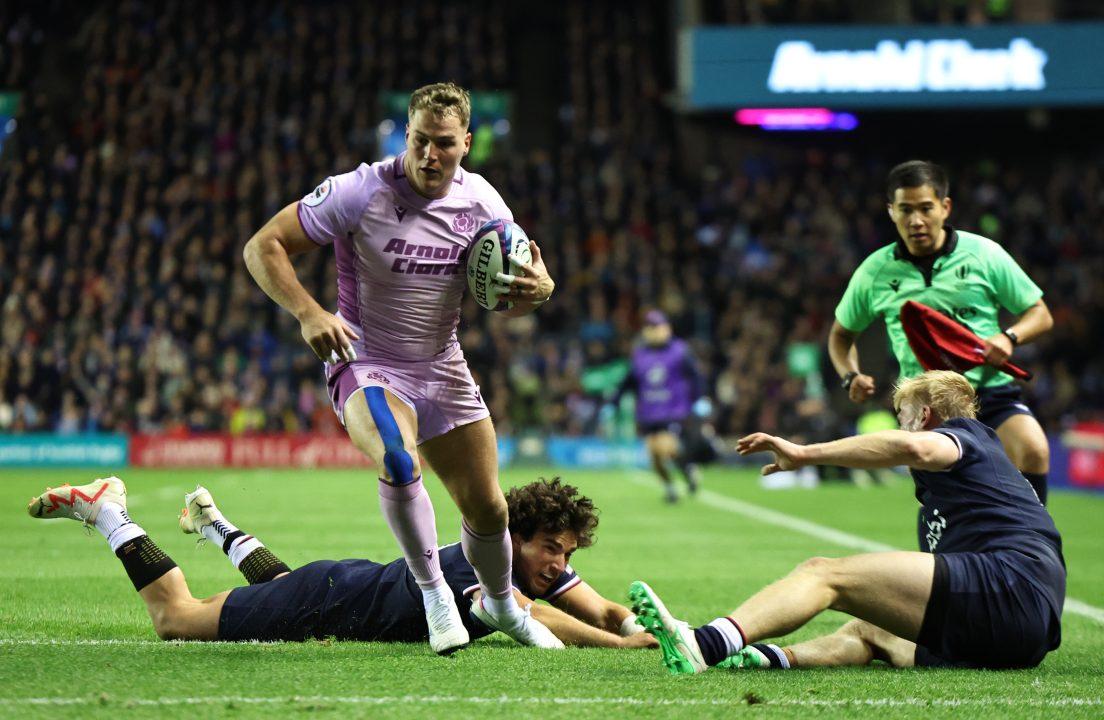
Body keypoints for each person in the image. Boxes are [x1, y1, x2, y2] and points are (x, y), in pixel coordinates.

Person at [242, 82, 556, 654]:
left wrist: (540, 289)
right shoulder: (359, 191)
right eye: (419, 141)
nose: (430, 156)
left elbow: (514, 293)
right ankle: (435, 596)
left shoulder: (484, 204)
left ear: (466, 143)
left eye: (444, 144)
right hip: (367, 362)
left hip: (443, 365)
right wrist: (309, 313)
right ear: (405, 135)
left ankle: (501, 604)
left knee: (489, 508)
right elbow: (263, 245)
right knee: (398, 458)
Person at [630, 370, 1065, 673]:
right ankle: (767, 657)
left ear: (925, 416)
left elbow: (917, 448)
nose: (900, 426)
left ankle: (705, 644)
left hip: (1012, 584)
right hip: (1013, 631)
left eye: (903, 416)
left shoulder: (966, 438)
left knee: (824, 574)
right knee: (869, 628)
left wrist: (805, 453)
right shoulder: (961, 489)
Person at [27, 476, 657, 651]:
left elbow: (601, 608)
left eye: (567, 553)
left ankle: (215, 525)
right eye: (552, 548)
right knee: (176, 618)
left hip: (342, 586)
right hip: (329, 601)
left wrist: (647, 628)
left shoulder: (531, 565)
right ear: (514, 537)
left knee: (278, 587)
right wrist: (618, 647)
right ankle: (107, 510)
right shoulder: (482, 561)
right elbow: (527, 614)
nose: (559, 564)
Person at [828, 160, 1054, 503]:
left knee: (1034, 450)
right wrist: (850, 375)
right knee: (949, 498)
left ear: (945, 207)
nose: (916, 220)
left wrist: (1009, 338)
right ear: (891, 211)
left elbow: (1040, 314)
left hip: (988, 391)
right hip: (924, 403)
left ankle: (1033, 533)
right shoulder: (874, 271)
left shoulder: (984, 254)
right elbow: (841, 336)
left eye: (925, 208)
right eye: (905, 210)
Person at [608, 310, 713, 503]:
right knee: (655, 456)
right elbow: (629, 381)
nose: (654, 331)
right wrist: (614, 403)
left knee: (665, 447)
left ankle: (687, 468)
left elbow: (695, 376)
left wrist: (700, 398)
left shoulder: (680, 351)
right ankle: (671, 486)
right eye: (650, 327)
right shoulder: (640, 355)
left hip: (674, 412)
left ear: (667, 328)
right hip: (649, 413)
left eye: (657, 326)